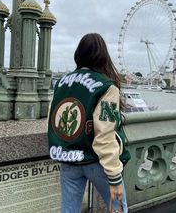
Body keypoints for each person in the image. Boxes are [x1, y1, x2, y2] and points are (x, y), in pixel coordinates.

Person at [47, 33, 130, 213]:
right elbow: (105, 134)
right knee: (118, 209)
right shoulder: (106, 86)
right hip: (96, 161)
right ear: (103, 56)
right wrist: (115, 179)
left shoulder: (60, 83)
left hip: (69, 159)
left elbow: (53, 119)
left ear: (79, 54)